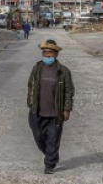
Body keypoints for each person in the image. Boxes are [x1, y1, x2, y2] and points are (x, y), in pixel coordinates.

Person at [27, 40, 75, 174]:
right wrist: (31, 104)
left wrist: (67, 109)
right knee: (38, 136)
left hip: (55, 113)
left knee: (53, 139)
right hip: (37, 111)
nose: (47, 56)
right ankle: (51, 154)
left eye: (50, 54)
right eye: (45, 53)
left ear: (56, 55)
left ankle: (49, 164)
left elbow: (69, 91)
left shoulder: (63, 72)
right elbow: (31, 86)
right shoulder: (37, 68)